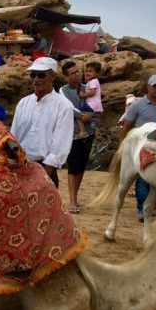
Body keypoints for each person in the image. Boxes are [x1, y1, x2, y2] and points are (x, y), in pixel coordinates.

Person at [11, 57, 74, 187]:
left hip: (45, 169)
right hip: (20, 166)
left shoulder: (63, 105)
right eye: (33, 75)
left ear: (53, 76)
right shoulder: (24, 103)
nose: (36, 79)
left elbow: (61, 143)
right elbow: (13, 136)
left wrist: (45, 173)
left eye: (41, 75)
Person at [121, 74, 156, 217]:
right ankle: (141, 208)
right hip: (141, 146)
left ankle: (151, 205)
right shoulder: (137, 105)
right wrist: (122, 146)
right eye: (155, 86)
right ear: (148, 87)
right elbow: (126, 125)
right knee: (141, 179)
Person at [60, 64, 96, 213]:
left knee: (82, 166)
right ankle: (72, 201)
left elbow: (96, 104)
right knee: (73, 167)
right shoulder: (63, 90)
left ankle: (75, 197)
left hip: (89, 131)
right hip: (72, 133)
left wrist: (92, 116)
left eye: (78, 71)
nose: (77, 74)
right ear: (67, 75)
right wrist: (83, 116)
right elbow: (69, 107)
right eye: (73, 73)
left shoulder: (87, 87)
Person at [80, 60, 103, 125]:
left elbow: (92, 92)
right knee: (92, 124)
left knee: (79, 115)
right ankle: (94, 121)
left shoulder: (93, 81)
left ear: (97, 73)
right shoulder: (93, 81)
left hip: (91, 105)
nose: (87, 73)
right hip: (96, 105)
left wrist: (82, 95)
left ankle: (82, 131)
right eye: (86, 71)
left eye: (90, 71)